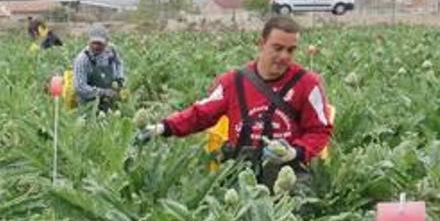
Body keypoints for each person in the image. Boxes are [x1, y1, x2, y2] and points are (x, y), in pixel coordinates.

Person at [135, 16, 333, 192]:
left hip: (287, 171)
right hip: (241, 169)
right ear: (261, 44)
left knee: (300, 212)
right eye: (278, 48)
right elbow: (200, 114)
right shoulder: (233, 81)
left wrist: (294, 152)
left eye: (291, 50)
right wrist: (162, 127)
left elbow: (320, 130)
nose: (285, 56)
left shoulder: (307, 83)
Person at [72, 24, 125, 113]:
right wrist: (103, 92)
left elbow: (119, 63)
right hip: (89, 106)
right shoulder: (82, 59)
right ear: (88, 41)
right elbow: (80, 87)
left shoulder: (111, 51)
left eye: (99, 43)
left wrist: (120, 80)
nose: (96, 46)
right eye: (94, 43)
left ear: (107, 42)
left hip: (110, 102)